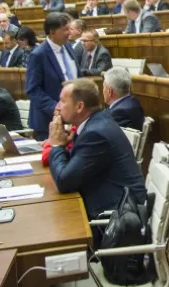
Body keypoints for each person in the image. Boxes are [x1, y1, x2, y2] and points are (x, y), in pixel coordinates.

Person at [47, 79, 147, 219]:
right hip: (113, 206)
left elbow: (64, 182)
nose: (57, 106)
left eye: (62, 101)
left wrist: (57, 145)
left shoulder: (95, 134)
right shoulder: (96, 122)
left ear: (79, 107)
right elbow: (71, 169)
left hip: (116, 218)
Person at [26, 13, 78, 140]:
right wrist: (56, 107)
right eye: (65, 29)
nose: (69, 33)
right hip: (47, 121)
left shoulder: (68, 47)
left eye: (70, 29)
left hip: (72, 118)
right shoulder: (38, 55)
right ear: (52, 32)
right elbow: (33, 89)